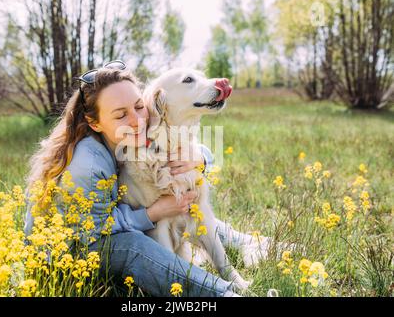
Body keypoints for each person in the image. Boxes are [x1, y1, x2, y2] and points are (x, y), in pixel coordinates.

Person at [24, 61, 259, 297]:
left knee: (188, 210)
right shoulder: (88, 164)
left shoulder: (133, 135)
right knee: (135, 245)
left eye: (139, 106)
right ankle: (224, 295)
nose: (138, 121)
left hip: (102, 234)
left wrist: (201, 159)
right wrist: (151, 214)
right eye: (121, 115)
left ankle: (254, 245)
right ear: (94, 123)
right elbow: (91, 231)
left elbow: (177, 140)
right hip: (68, 258)